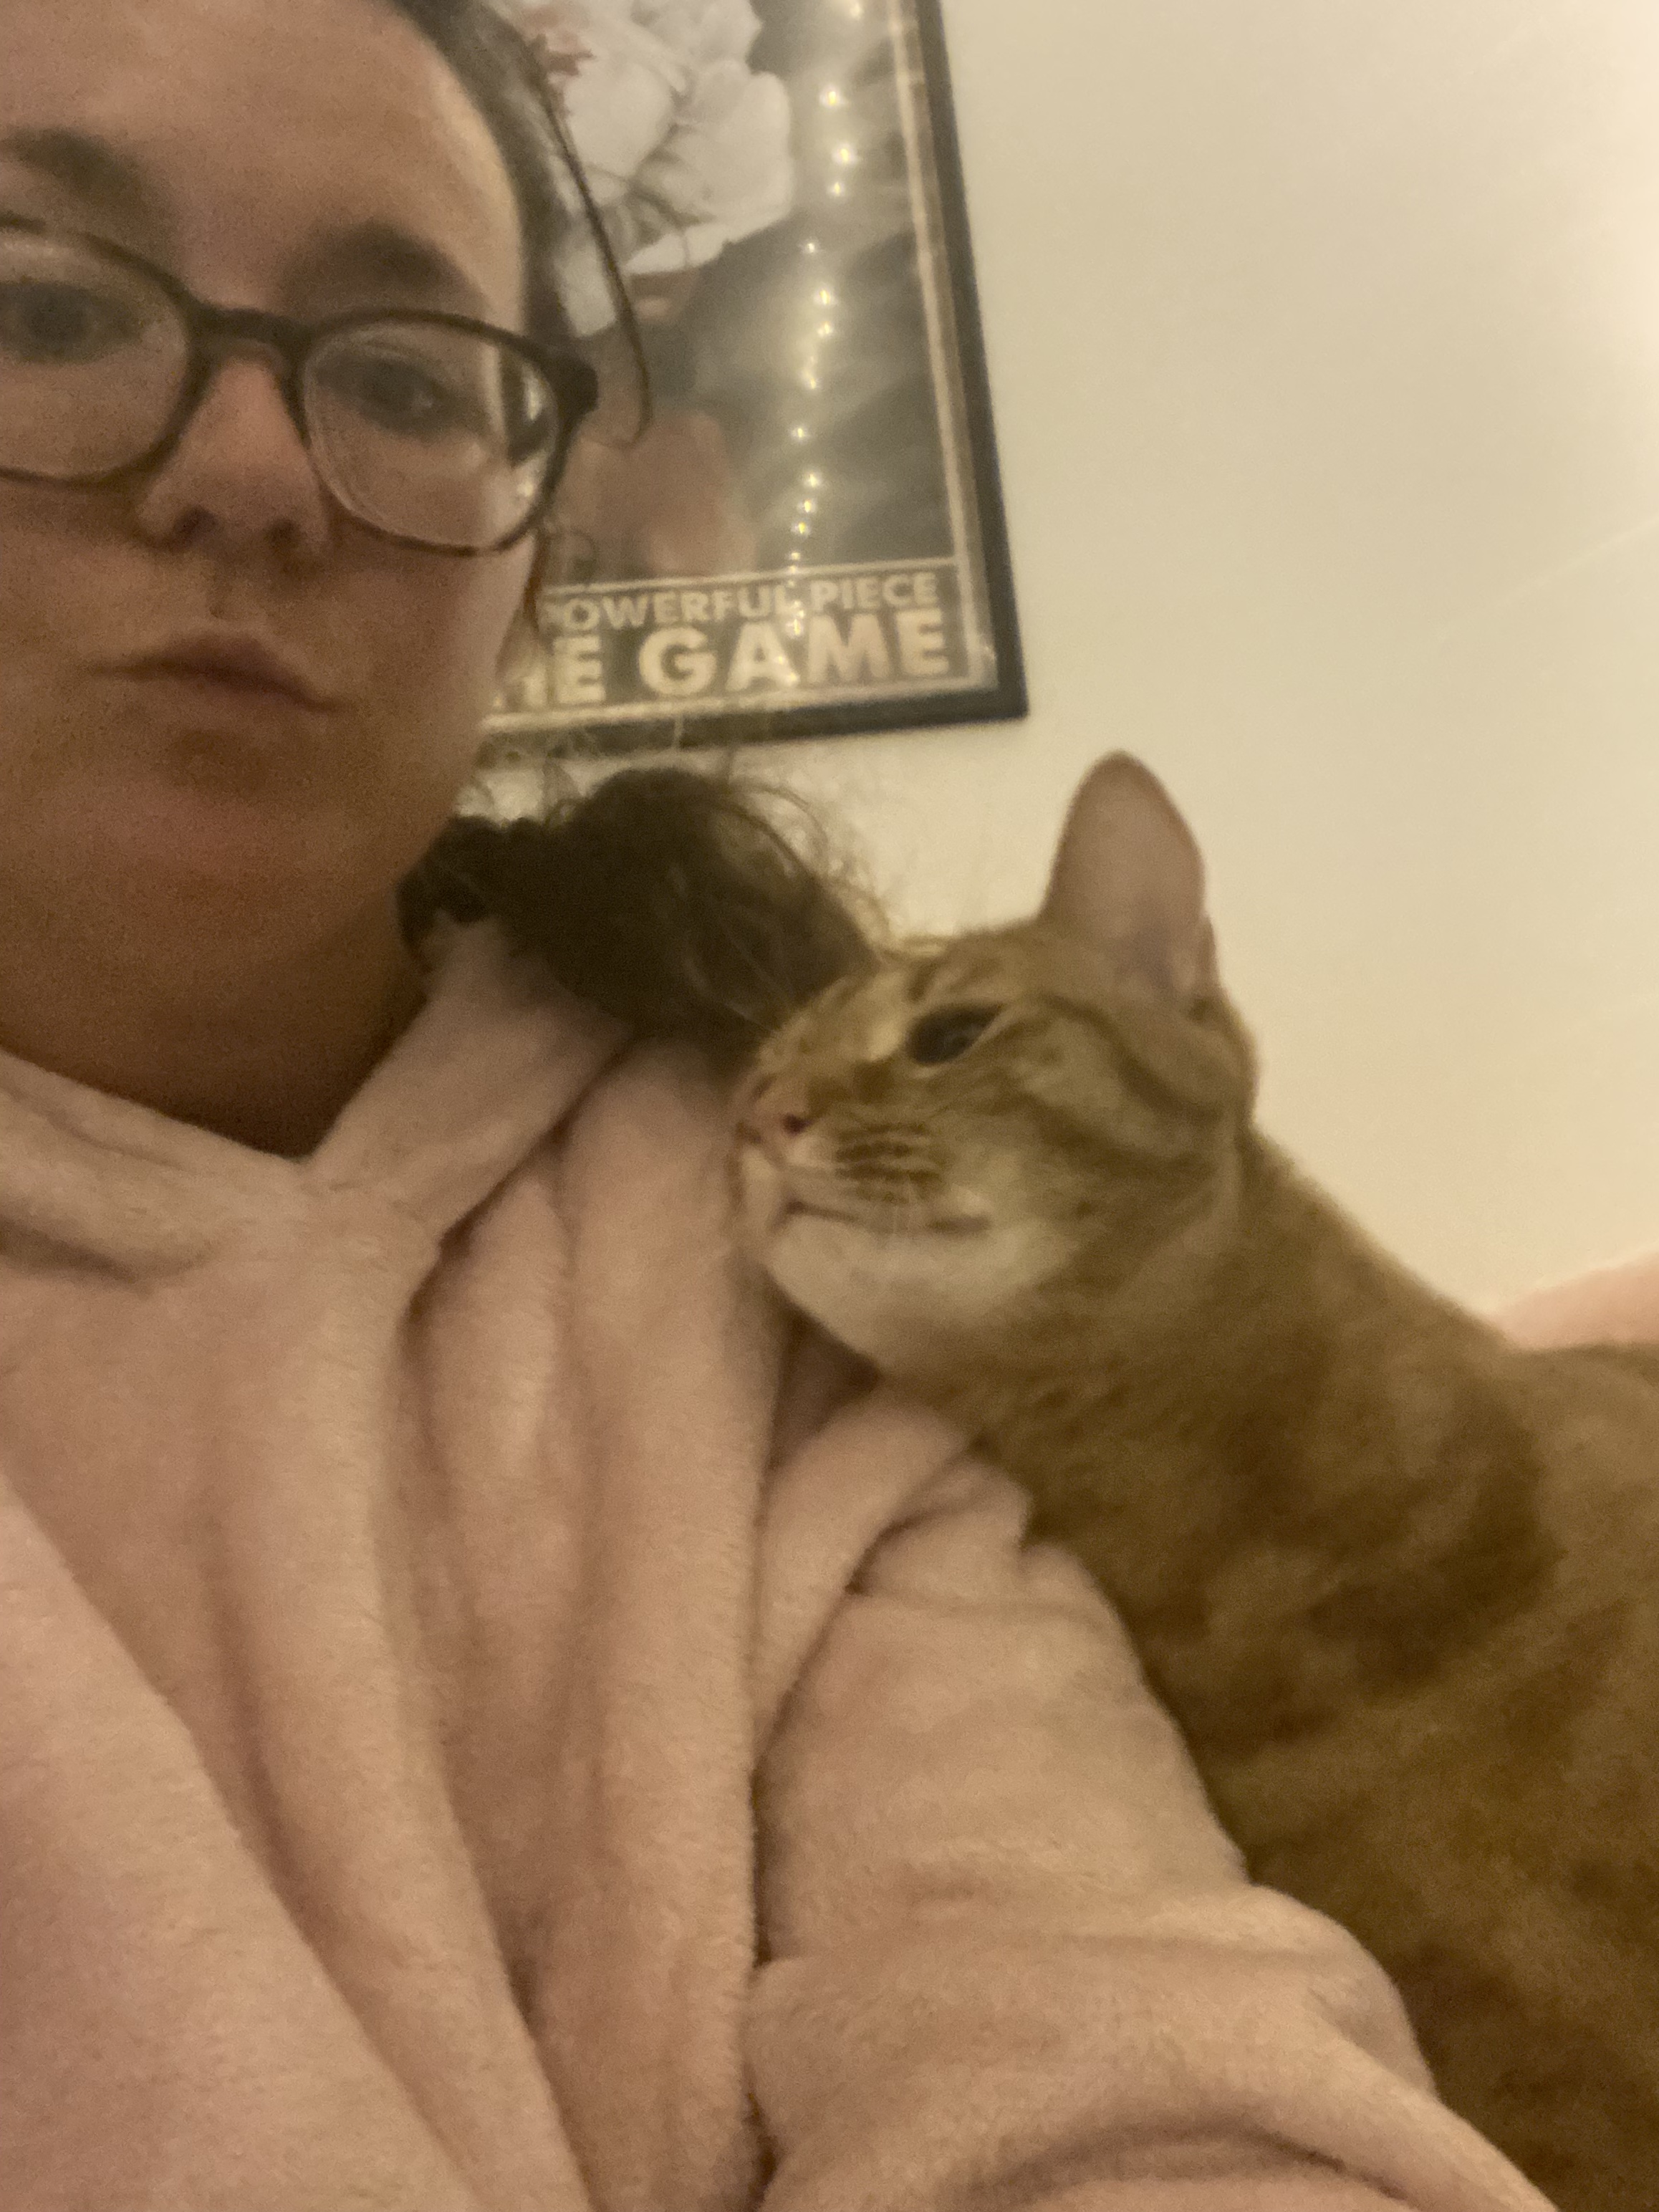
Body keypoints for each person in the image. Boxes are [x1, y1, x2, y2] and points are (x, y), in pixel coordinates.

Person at [0, 0, 1618, 2204]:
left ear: (535, 570)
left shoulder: (751, 1274)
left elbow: (1113, 2037)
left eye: (401, 378)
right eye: (46, 307)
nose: (255, 472)